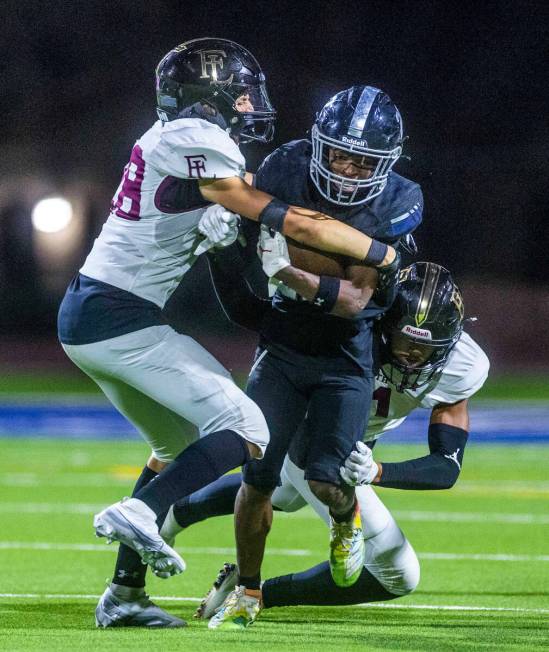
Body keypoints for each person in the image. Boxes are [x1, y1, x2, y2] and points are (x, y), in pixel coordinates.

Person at [57, 38, 398, 629]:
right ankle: (142, 511)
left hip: (96, 314)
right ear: (206, 96)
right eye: (238, 92)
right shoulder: (196, 136)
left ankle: (125, 594)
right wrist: (378, 251)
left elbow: (205, 213)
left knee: (174, 447)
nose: (248, 103)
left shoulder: (172, 142)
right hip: (118, 318)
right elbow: (282, 216)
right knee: (249, 427)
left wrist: (210, 224)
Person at [197, 85, 423, 629]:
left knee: (325, 480)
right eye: (340, 154)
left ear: (384, 164)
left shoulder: (397, 200)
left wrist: (289, 273)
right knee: (258, 476)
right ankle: (248, 589)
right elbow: (234, 213)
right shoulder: (286, 167)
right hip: (283, 346)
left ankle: (345, 522)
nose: (346, 171)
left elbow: (354, 301)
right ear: (318, 145)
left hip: (347, 356)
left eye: (361, 160)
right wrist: (224, 241)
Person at [160, 261, 489, 618]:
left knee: (285, 495)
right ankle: (250, 589)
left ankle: (180, 522)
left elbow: (446, 467)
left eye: (423, 348)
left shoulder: (462, 366)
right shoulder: (350, 330)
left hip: (358, 444)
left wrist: (377, 471)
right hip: (310, 428)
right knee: (400, 575)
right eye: (403, 339)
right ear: (384, 325)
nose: (411, 356)